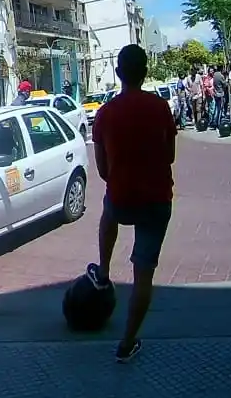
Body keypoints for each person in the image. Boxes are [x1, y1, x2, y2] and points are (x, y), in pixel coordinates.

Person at [87, 44, 177, 363]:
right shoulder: (160, 107)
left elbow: (101, 170)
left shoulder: (105, 113)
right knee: (143, 274)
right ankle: (127, 343)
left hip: (122, 197)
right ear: (146, 71)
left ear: (118, 72)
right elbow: (170, 156)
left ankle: (104, 270)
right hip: (156, 199)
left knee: (108, 210)